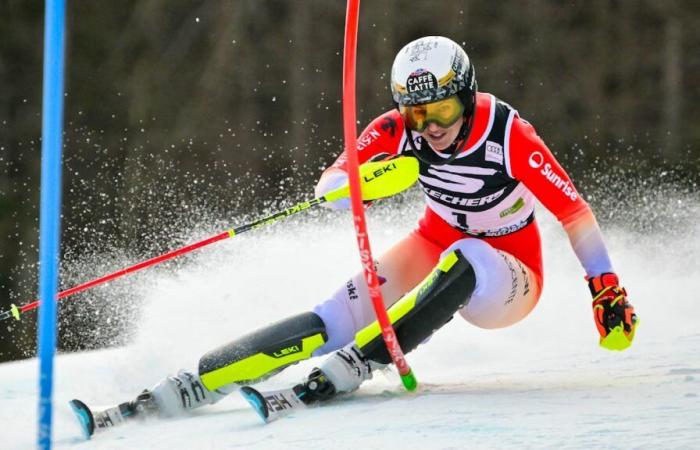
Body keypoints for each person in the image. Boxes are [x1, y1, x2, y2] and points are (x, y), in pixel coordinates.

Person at [76, 36, 638, 432]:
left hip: (510, 277)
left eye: (443, 108)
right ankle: (196, 381)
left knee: (468, 253)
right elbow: (333, 179)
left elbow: (574, 211)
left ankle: (360, 363)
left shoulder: (507, 133)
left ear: (466, 95)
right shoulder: (397, 129)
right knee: (338, 310)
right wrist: (359, 184)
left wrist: (605, 286)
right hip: (433, 241)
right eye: (419, 115)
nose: (434, 126)